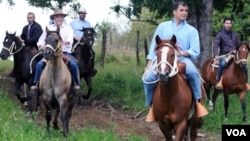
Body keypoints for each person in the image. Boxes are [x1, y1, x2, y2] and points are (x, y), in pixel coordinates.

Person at [142, 1, 208, 122]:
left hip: (182, 59)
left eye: (186, 11)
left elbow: (195, 50)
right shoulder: (162, 26)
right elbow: (153, 47)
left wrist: (181, 53)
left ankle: (198, 104)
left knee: (193, 74)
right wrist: (149, 65)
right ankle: (151, 107)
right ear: (174, 12)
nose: (184, 13)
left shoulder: (192, 30)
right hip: (162, 60)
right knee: (148, 78)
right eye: (181, 10)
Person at [30, 9, 82, 95]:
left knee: (73, 64)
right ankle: (35, 85)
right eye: (57, 16)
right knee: (39, 65)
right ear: (54, 18)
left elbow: (69, 40)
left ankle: (77, 85)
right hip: (50, 53)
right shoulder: (49, 28)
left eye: (61, 16)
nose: (59, 18)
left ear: (63, 18)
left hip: (64, 52)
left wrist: (60, 43)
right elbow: (41, 40)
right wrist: (41, 46)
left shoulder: (68, 28)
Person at [214, 18, 250, 90]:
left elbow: (239, 45)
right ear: (224, 24)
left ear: (231, 24)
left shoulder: (235, 35)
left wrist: (239, 48)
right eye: (227, 23)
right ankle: (219, 81)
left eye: (230, 23)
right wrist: (216, 55)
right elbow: (215, 45)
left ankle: (245, 83)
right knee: (223, 63)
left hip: (234, 55)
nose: (228, 25)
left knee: (245, 66)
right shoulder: (220, 34)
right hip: (225, 55)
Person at [8, 12, 43, 77]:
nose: (29, 19)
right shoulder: (25, 27)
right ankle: (15, 71)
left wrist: (24, 41)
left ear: (34, 18)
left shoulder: (38, 27)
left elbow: (35, 38)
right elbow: (23, 36)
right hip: (26, 47)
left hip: (35, 46)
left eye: (30, 18)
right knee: (18, 55)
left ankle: (37, 74)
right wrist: (19, 38)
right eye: (28, 18)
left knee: (39, 57)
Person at [70, 7, 97, 77]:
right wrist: (75, 37)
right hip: (75, 40)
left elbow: (89, 34)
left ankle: (91, 70)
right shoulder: (73, 22)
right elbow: (69, 32)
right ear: (79, 14)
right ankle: (70, 69)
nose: (83, 15)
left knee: (92, 53)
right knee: (71, 52)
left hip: (85, 43)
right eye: (82, 13)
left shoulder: (88, 23)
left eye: (84, 14)